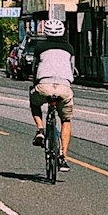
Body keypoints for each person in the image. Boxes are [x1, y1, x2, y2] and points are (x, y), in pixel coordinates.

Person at [29, 20, 76, 166]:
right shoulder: (69, 48)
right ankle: (63, 156)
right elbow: (72, 67)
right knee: (66, 120)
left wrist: (34, 83)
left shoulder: (40, 47)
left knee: (34, 101)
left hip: (44, 85)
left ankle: (40, 129)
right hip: (64, 87)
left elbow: (35, 68)